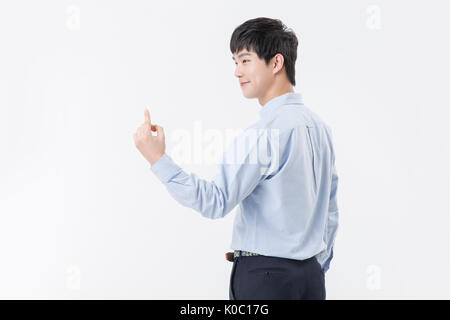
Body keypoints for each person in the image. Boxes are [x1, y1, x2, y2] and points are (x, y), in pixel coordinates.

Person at [133, 17, 339, 300]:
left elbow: (215, 201)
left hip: (265, 279)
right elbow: (329, 210)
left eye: (245, 60)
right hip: (311, 279)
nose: (236, 71)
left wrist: (157, 159)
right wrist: (316, 266)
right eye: (235, 61)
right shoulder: (321, 129)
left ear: (276, 63)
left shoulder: (264, 133)